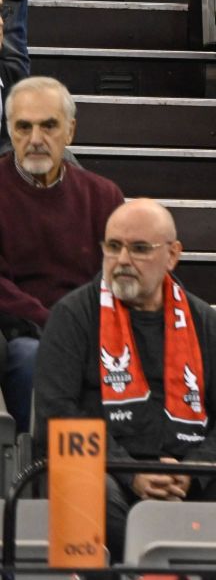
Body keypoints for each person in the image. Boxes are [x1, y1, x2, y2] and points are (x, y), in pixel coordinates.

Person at [33, 199, 216, 557]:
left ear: (172, 255)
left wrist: (191, 471)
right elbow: (55, 416)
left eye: (138, 249)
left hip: (187, 474)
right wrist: (132, 471)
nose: (122, 261)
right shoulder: (73, 316)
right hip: (108, 470)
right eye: (113, 247)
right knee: (83, 488)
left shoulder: (203, 321)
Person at [0, 78, 124, 425]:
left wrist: (84, 327)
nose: (35, 139)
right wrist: (53, 324)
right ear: (10, 131)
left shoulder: (104, 195)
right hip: (23, 334)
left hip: (95, 329)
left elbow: (120, 272)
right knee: (34, 358)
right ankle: (44, 472)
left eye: (49, 125)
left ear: (70, 131)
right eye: (24, 127)